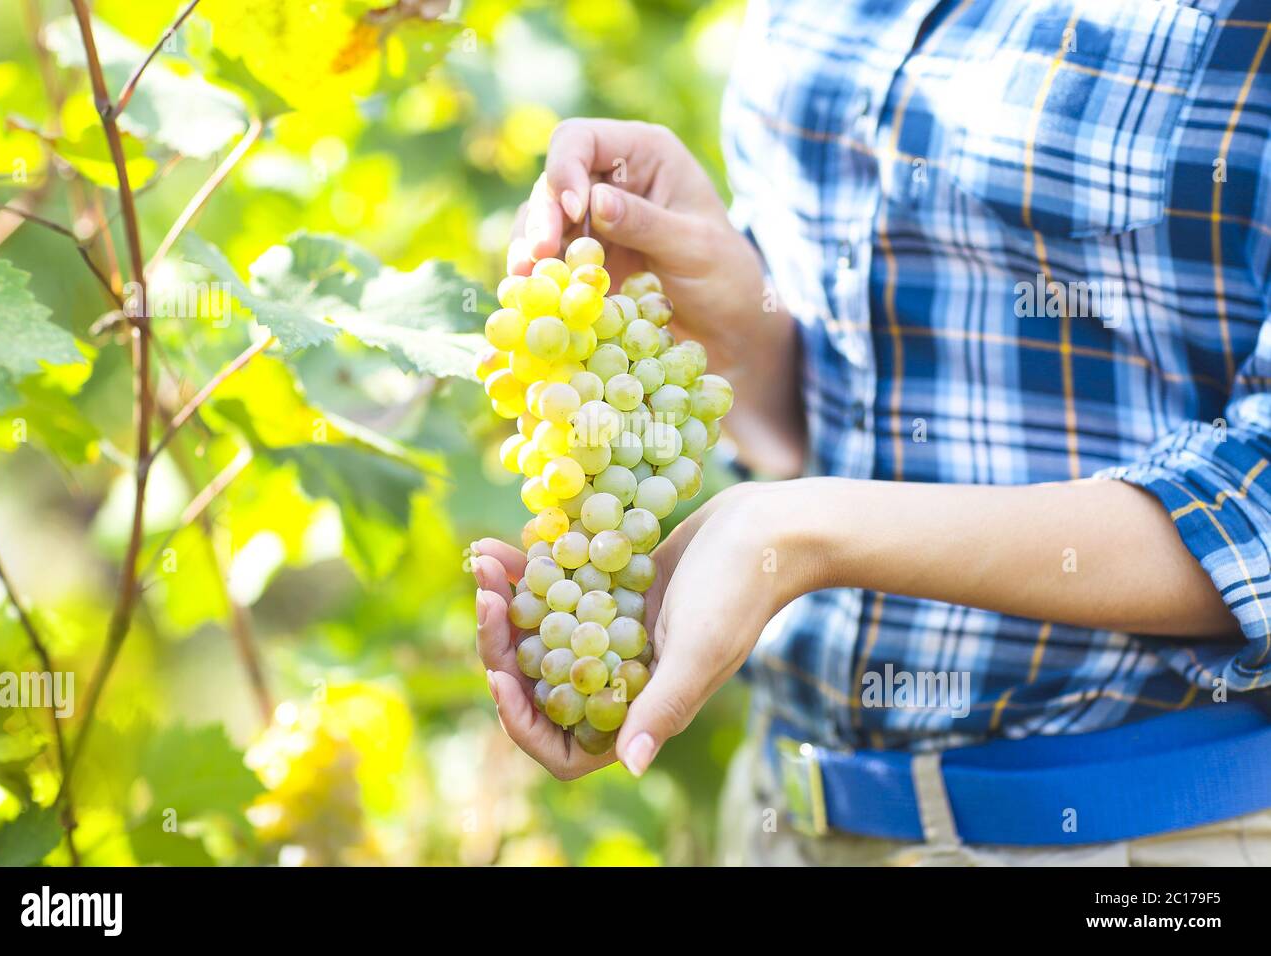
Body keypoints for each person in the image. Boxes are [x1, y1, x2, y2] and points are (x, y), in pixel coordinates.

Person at [472, 0, 1271, 865]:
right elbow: (857, 411)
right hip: (792, 820)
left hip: (1140, 839)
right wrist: (745, 334)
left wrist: (808, 533)